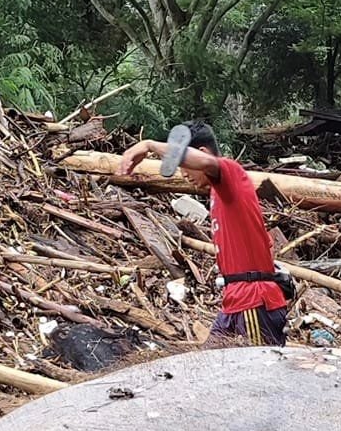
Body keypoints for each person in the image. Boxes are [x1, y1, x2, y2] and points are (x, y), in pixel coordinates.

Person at [116, 122, 292, 345]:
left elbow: (208, 163)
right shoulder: (218, 194)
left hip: (254, 301)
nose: (183, 174)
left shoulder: (232, 174)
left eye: (184, 166)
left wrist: (148, 144)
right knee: (210, 365)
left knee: (258, 375)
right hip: (235, 300)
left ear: (200, 153)